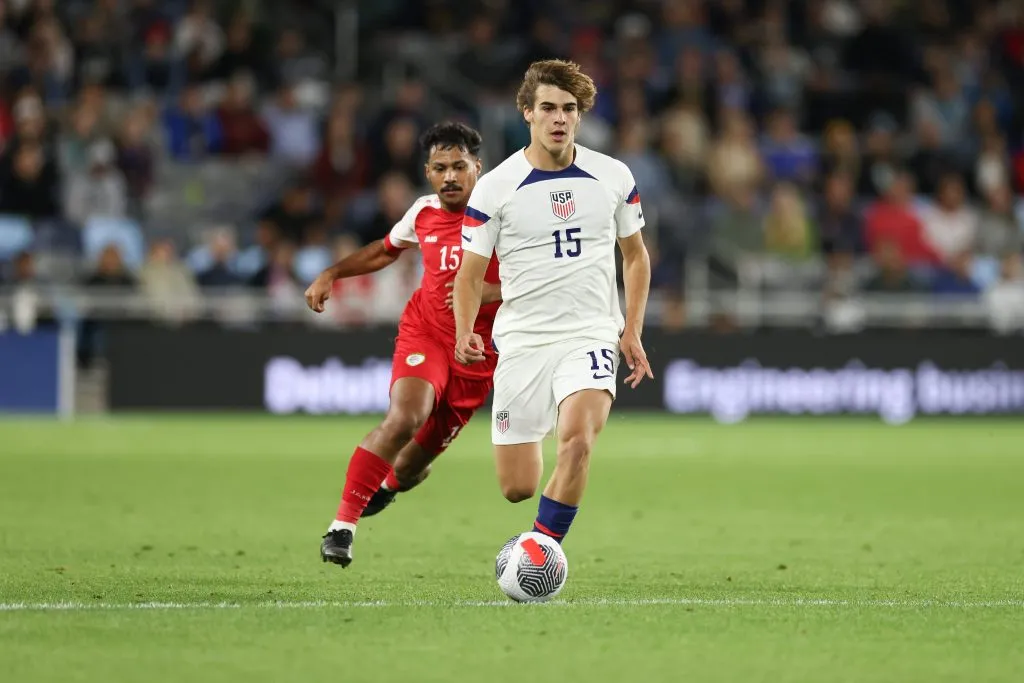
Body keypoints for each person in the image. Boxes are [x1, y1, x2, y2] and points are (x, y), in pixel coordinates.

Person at [452, 59, 653, 545]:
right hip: (522, 342)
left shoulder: (613, 176)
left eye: (569, 108)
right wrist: (463, 332)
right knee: (517, 487)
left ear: (579, 115)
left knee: (579, 442)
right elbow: (470, 275)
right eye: (548, 108)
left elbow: (636, 257)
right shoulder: (496, 187)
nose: (559, 118)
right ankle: (541, 519)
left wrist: (631, 328)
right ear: (527, 112)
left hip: (589, 334)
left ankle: (540, 553)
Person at [304, 122, 501, 567]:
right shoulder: (423, 213)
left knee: (411, 467)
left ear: (478, 168)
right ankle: (341, 528)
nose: (449, 177)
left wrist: (485, 293)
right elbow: (385, 250)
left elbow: (538, 277)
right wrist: (331, 273)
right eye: (439, 168)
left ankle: (389, 487)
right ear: (428, 172)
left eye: (458, 167)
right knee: (405, 416)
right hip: (427, 333)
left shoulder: (506, 215)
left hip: (478, 354)